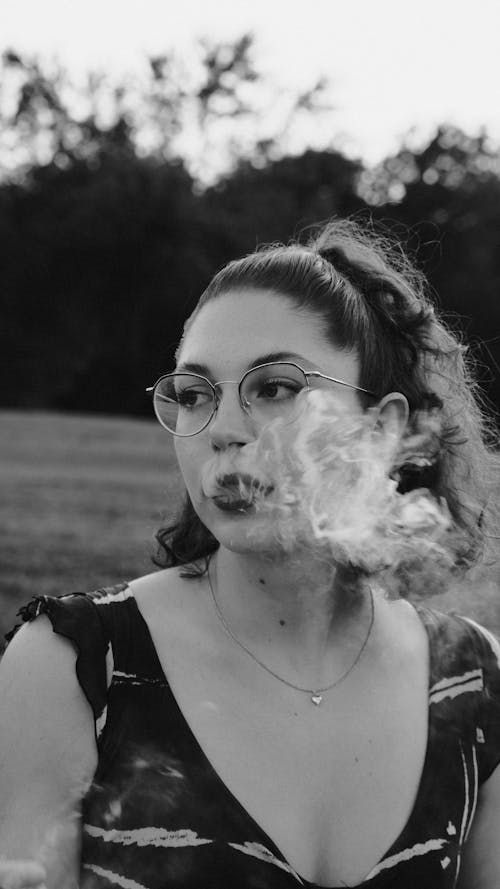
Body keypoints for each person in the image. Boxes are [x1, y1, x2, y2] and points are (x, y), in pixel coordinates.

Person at [1, 217, 499, 889]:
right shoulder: (73, 668)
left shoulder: (473, 683)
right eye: (196, 393)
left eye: (275, 388)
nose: (225, 429)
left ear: (381, 428)